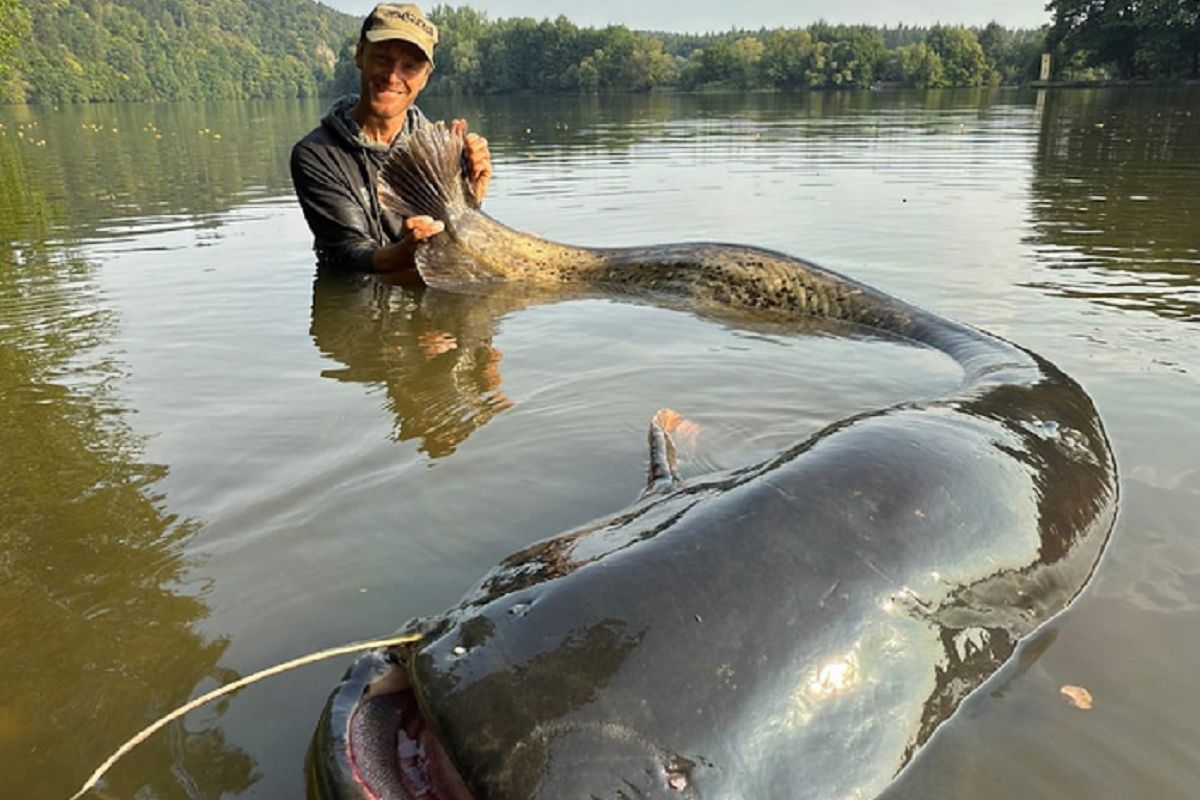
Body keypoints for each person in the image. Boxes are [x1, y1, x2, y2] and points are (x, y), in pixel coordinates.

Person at [290, 3, 492, 274]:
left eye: (409, 66)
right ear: (360, 55)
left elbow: (459, 248)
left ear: (424, 78)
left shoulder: (439, 151)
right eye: (383, 58)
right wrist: (404, 254)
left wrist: (470, 199)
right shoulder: (317, 153)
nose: (393, 76)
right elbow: (348, 252)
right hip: (358, 301)